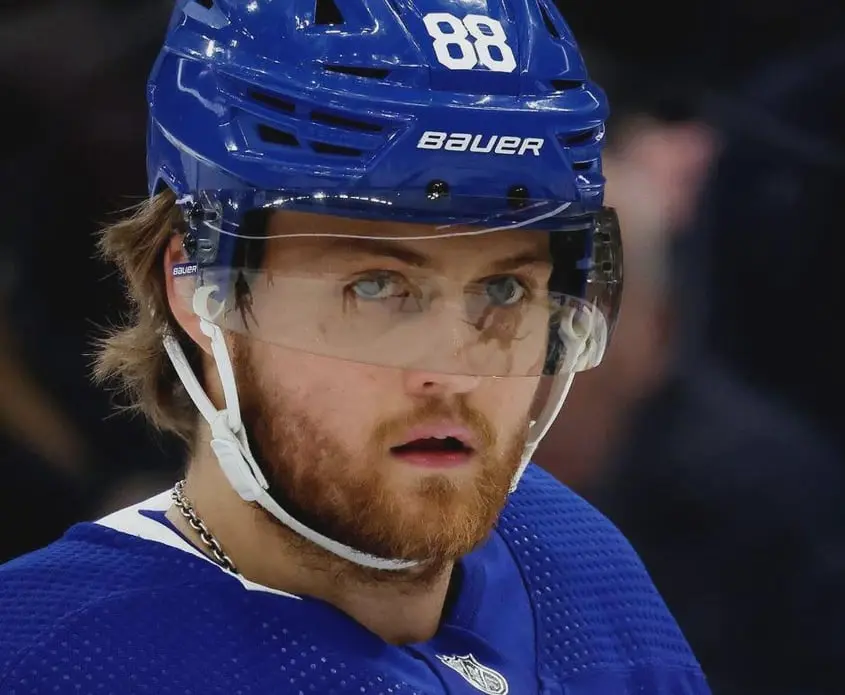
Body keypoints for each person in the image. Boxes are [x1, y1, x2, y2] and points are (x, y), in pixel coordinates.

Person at [0, 1, 709, 693]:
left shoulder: (576, 560)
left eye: (503, 289)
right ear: (199, 286)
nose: (452, 372)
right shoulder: (51, 657)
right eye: (376, 287)